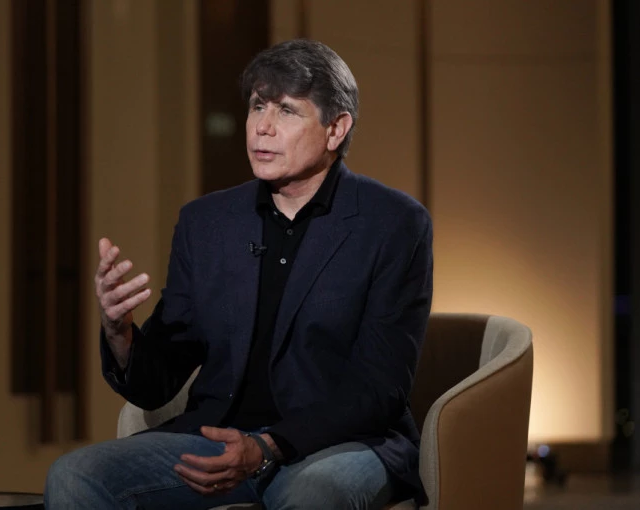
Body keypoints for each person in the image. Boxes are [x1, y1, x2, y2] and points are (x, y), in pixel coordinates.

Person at [45, 38, 432, 510]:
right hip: (219, 438)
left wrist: (268, 447)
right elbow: (157, 383)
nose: (262, 127)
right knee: (75, 475)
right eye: (257, 106)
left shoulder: (392, 223)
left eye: (286, 110)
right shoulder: (207, 223)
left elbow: (379, 387)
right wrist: (119, 332)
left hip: (339, 444)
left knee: (314, 493)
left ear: (336, 129)